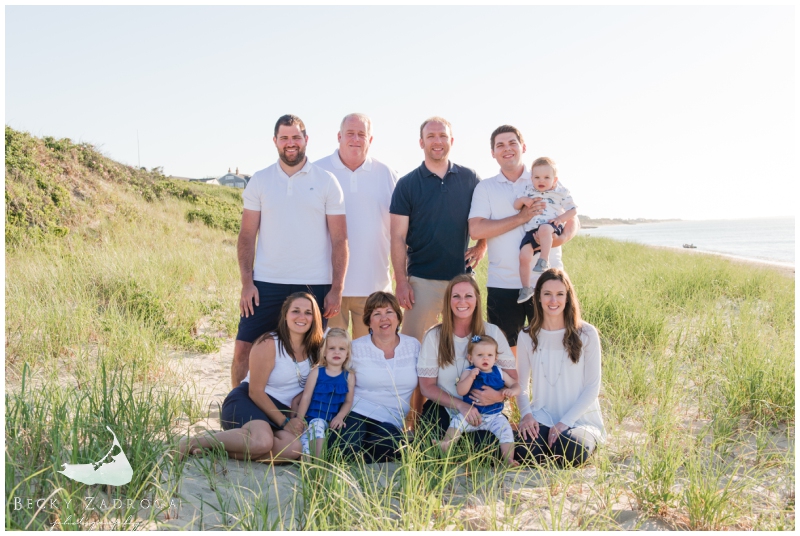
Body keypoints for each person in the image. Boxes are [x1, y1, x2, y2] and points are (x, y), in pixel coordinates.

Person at [232, 114, 349, 388]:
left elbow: (340, 238)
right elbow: (247, 235)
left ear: (306, 140)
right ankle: (236, 414)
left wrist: (336, 289)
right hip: (265, 283)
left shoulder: (327, 181)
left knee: (313, 355)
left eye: (296, 137)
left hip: (314, 284)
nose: (290, 143)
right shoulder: (260, 181)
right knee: (243, 350)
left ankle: (307, 418)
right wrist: (246, 283)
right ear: (275, 141)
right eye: (284, 138)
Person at [468, 125, 580, 354]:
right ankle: (516, 391)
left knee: (554, 347)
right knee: (508, 353)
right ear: (493, 153)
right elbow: (476, 230)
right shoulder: (486, 187)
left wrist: (560, 238)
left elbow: (573, 216)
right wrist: (521, 217)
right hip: (503, 283)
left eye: (512, 143)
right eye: (500, 145)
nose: (507, 149)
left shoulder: (543, 175)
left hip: (547, 281)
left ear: (523, 147)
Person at [178, 293, 324, 462]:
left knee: (293, 449)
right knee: (262, 442)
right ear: (285, 315)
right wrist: (285, 423)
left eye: (308, 312)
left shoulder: (317, 348)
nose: (302, 317)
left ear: (315, 318)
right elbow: (256, 391)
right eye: (296, 311)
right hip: (249, 401)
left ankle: (215, 448)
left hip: (282, 411)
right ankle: (194, 442)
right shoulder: (269, 343)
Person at [390, 117, 487, 343]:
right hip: (422, 281)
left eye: (443, 136)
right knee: (414, 347)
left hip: (462, 279)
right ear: (421, 142)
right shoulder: (407, 184)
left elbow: (486, 217)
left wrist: (482, 244)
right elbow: (397, 236)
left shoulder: (470, 178)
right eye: (431, 136)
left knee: (466, 347)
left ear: (451, 140)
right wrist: (402, 282)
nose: (437, 141)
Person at [315, 113, 398, 339]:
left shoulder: (387, 174)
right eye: (350, 133)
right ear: (339, 136)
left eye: (362, 134)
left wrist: (403, 278)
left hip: (374, 288)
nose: (355, 139)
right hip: (328, 288)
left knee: (370, 360)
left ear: (370, 140)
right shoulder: (317, 172)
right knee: (331, 358)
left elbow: (400, 232)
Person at [417, 275, 517, 454]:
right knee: (430, 449)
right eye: (456, 296)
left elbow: (513, 377)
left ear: (477, 300)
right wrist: (461, 405)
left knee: (487, 451)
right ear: (448, 300)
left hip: (485, 410)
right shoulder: (434, 336)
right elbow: (427, 387)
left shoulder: (492, 332)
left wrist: (498, 396)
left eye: (468, 296)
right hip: (444, 406)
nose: (462, 301)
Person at [515, 269, 606, 466]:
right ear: (538, 297)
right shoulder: (527, 335)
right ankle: (545, 441)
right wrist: (526, 415)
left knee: (569, 450)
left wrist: (564, 423)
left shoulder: (587, 333)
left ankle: (567, 440)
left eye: (559, 294)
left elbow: (592, 388)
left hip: (579, 419)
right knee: (523, 451)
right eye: (547, 294)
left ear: (568, 297)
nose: (553, 300)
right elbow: (520, 386)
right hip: (543, 415)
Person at [336, 291, 420, 463]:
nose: (384, 318)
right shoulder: (355, 348)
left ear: (398, 317)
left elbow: (422, 387)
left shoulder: (413, 346)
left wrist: (415, 421)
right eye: (377, 314)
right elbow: (338, 383)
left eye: (389, 312)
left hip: (392, 420)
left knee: (394, 443)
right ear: (368, 321)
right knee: (347, 447)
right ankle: (351, 448)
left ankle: (358, 452)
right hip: (357, 412)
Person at [439, 334, 521, 466]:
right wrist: (470, 377)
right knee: (457, 422)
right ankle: (446, 444)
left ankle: (508, 460)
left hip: (494, 416)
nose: (485, 358)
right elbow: (461, 390)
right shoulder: (469, 371)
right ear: (470, 358)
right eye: (480, 355)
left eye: (489, 355)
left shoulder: (499, 372)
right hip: (472, 414)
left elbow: (516, 385)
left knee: (506, 431)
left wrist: (512, 391)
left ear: (495, 358)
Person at [514, 157, 577, 303]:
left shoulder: (560, 192)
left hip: (551, 225)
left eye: (546, 177)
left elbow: (573, 210)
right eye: (537, 177)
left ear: (555, 180)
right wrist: (523, 200)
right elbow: (516, 205)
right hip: (532, 230)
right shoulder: (529, 190)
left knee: (544, 229)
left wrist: (560, 220)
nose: (541, 181)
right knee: (523, 255)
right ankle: (526, 288)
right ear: (531, 178)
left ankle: (543, 260)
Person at [296, 328, 356, 459]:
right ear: (324, 352)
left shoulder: (349, 376)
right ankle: (312, 463)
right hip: (312, 419)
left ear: (347, 353)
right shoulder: (317, 372)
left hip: (332, 421)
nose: (336, 352)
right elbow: (306, 397)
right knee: (309, 438)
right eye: (332, 348)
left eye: (342, 349)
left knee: (322, 433)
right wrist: (299, 420)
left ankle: (319, 463)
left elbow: (348, 401)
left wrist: (340, 416)